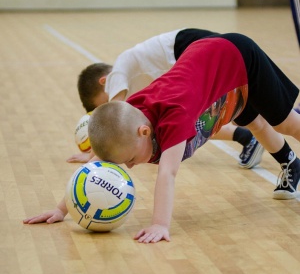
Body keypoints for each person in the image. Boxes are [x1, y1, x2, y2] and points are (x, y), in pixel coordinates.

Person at [24, 33, 300, 244]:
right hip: (212, 66)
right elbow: (97, 161)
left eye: (130, 160)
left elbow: (168, 173)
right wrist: (63, 209)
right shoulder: (131, 116)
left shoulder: (174, 116)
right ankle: (293, 165)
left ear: (144, 132)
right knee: (256, 124)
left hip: (238, 57)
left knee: (286, 124)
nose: (130, 167)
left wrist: (160, 225)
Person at [67, 28, 264, 169]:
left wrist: (99, 153)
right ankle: (245, 136)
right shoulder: (136, 91)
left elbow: (115, 117)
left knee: (246, 104)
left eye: (103, 103)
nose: (107, 110)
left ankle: (268, 124)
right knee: (191, 123)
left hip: (190, 48)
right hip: (189, 53)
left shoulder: (119, 73)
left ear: (105, 82)